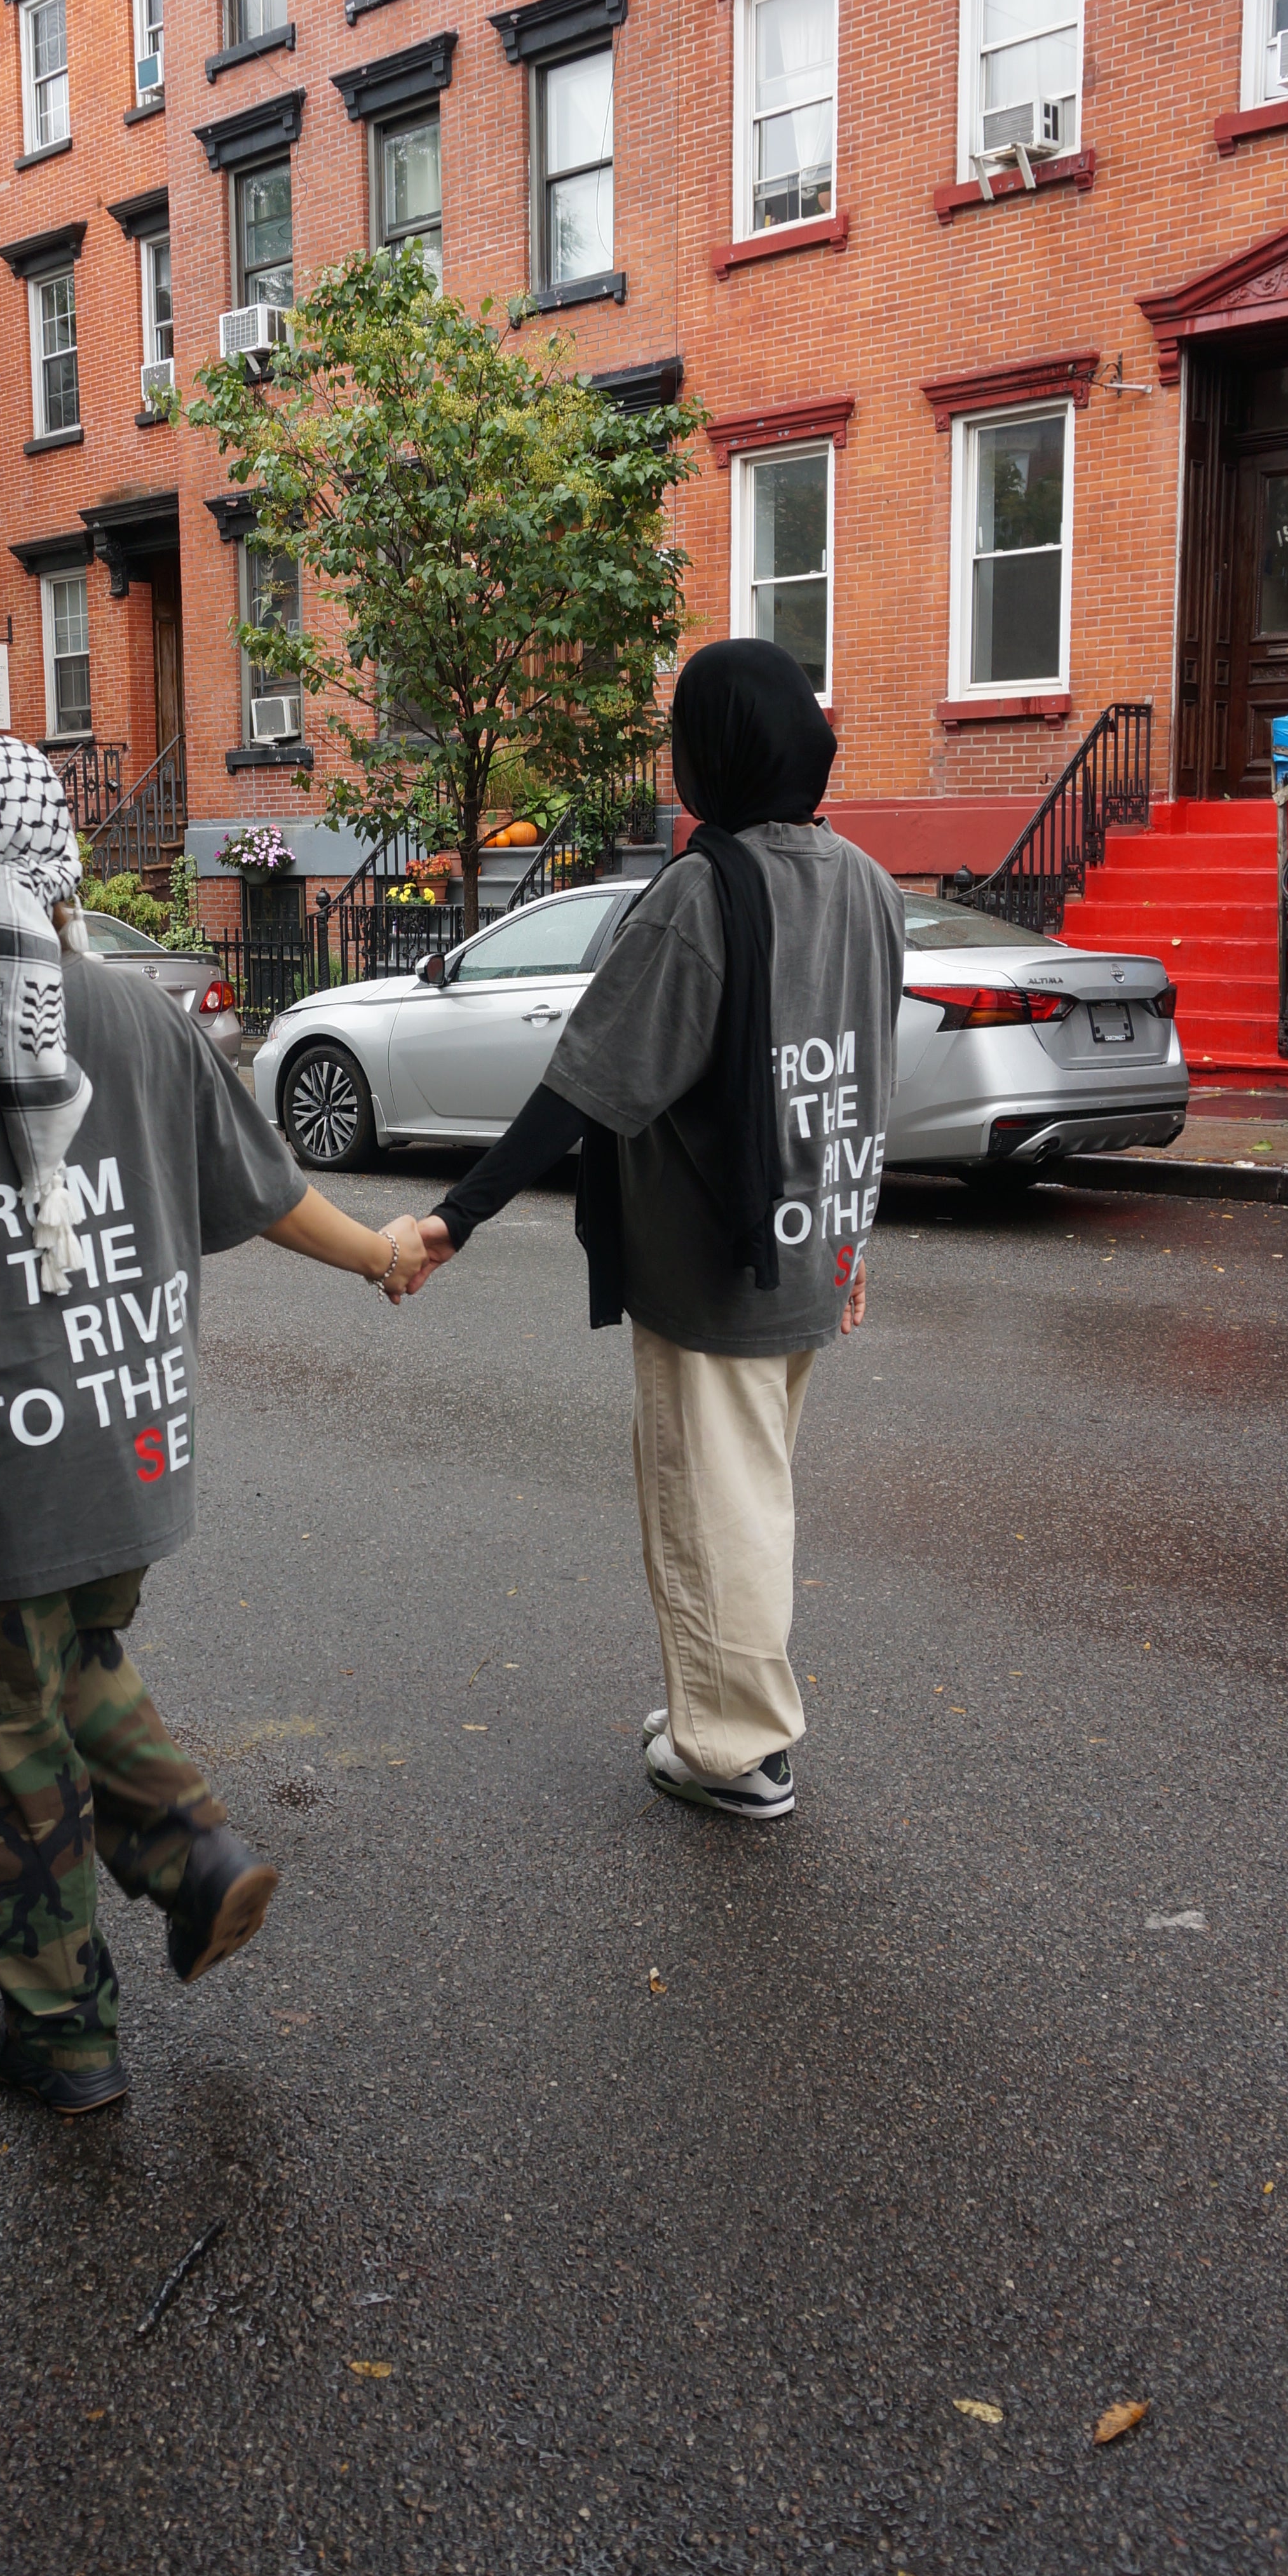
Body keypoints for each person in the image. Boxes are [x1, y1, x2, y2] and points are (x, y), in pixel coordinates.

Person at [0, 733, 428, 2117]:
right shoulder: (139, 1018)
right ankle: (191, 1852)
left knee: (12, 1746)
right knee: (77, 1661)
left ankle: (61, 2029)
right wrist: (376, 1251)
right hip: (125, 1456)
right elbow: (260, 1188)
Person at [416, 640, 904, 1823]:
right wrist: (856, 1246)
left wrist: (454, 1216)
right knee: (754, 1489)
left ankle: (736, 1749)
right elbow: (859, 1075)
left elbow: (587, 1086)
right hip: (811, 1239)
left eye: (681, 733)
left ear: (717, 750)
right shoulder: (867, 883)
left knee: (714, 1504)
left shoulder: (703, 891)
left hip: (715, 1264)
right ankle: (720, 1706)